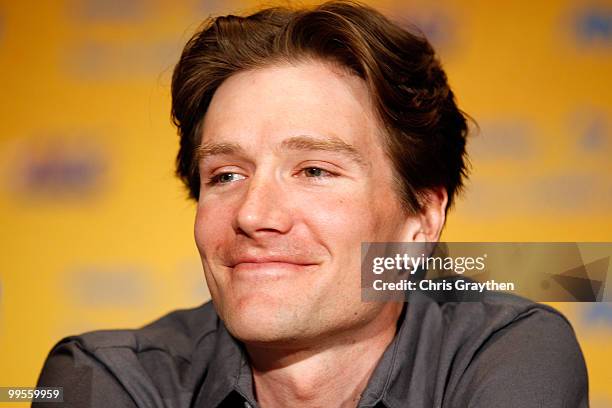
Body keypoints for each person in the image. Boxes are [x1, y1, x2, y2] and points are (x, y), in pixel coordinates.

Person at [35, 1, 588, 407]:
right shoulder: (101, 378)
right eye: (226, 174)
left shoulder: (508, 349)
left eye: (315, 171)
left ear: (421, 218)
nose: (254, 215)